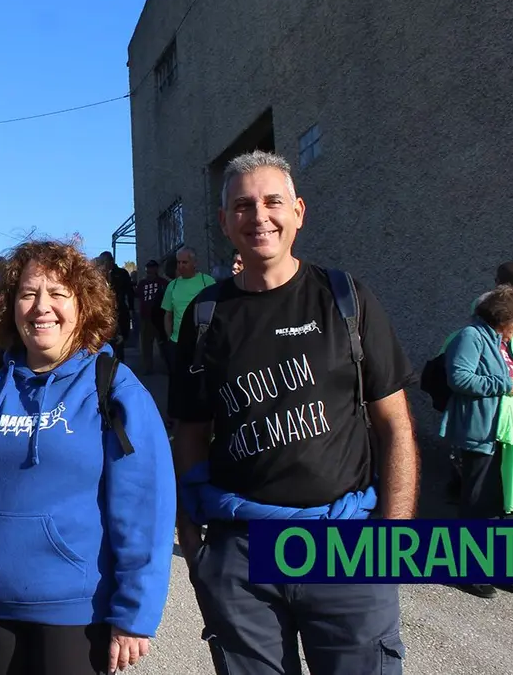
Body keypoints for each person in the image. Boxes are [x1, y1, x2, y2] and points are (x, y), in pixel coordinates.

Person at [169, 151, 419, 673]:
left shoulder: (346, 298)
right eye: (241, 205)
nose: (258, 216)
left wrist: (394, 541)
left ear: (298, 212)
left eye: (272, 201)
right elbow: (190, 436)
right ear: (224, 222)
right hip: (243, 555)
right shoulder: (205, 316)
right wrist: (196, 553)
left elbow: (394, 425)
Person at [0, 240, 174, 675]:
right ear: (9, 306)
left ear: (83, 305)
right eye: (28, 294)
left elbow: (145, 507)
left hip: (76, 611)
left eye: (57, 294)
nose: (40, 307)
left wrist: (134, 613)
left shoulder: (114, 388)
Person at [442, 284, 513, 599]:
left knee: (502, 505)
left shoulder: (501, 341)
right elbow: (459, 377)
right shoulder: (471, 336)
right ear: (505, 317)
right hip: (482, 434)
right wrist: (504, 384)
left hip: (507, 434)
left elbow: (508, 379)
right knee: (478, 503)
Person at [160, 246, 215, 368]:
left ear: (194, 263)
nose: (181, 266)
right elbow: (168, 315)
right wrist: (170, 339)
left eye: (185, 262)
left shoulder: (208, 282)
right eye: (178, 262)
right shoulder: (172, 286)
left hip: (201, 343)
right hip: (177, 343)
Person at [134, 260, 168, 375]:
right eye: (148, 268)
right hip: (146, 318)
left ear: (157, 269)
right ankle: (147, 367)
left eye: (152, 268)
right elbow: (138, 297)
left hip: (160, 317)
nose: (150, 270)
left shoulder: (163, 283)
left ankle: (167, 366)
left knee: (163, 342)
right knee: (146, 344)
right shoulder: (142, 283)